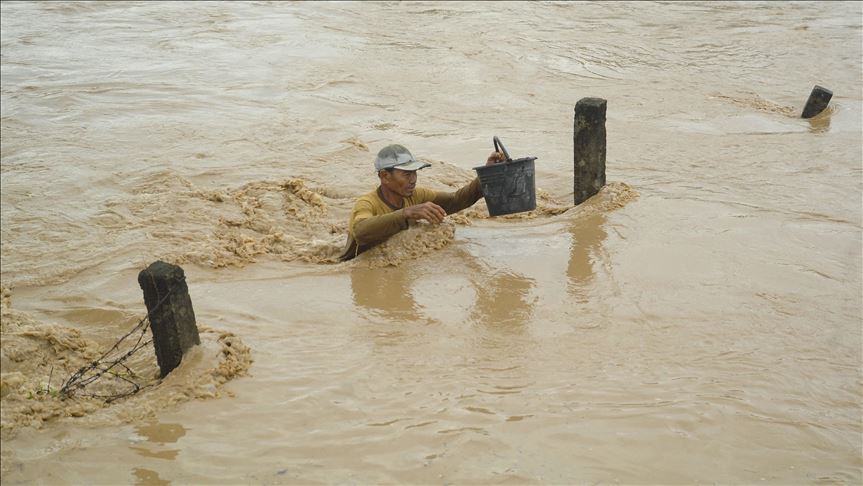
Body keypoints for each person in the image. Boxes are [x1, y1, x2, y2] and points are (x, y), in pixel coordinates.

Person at [340, 144, 505, 261]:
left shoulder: (417, 195)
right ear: (385, 176)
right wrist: (406, 213)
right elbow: (360, 230)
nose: (413, 180)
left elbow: (456, 201)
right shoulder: (366, 203)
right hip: (357, 262)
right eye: (406, 174)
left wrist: (487, 173)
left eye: (414, 173)